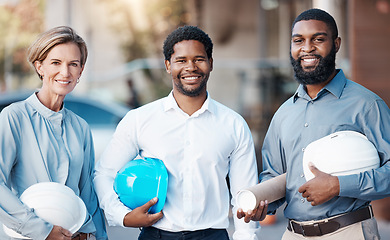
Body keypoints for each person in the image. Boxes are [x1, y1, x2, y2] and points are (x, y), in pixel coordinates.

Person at [94, 25, 260, 240]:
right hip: (156, 235)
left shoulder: (233, 124)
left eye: (199, 59)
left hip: (212, 235)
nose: (190, 67)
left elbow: (243, 195)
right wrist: (122, 216)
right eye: (181, 60)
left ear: (210, 64)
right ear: (168, 65)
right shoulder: (139, 119)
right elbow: (104, 174)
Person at [237, 8, 390, 239]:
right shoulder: (283, 114)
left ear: (336, 44)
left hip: (348, 232)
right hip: (292, 234)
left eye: (318, 39)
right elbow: (275, 176)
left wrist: (338, 185)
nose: (307, 48)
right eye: (298, 40)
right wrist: (261, 204)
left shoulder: (367, 105)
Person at [0, 26, 107, 240]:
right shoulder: (14, 116)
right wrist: (43, 231)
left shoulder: (80, 127)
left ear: (81, 70)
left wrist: (93, 234)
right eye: (56, 63)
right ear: (40, 67)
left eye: (73, 64)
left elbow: (87, 193)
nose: (65, 72)